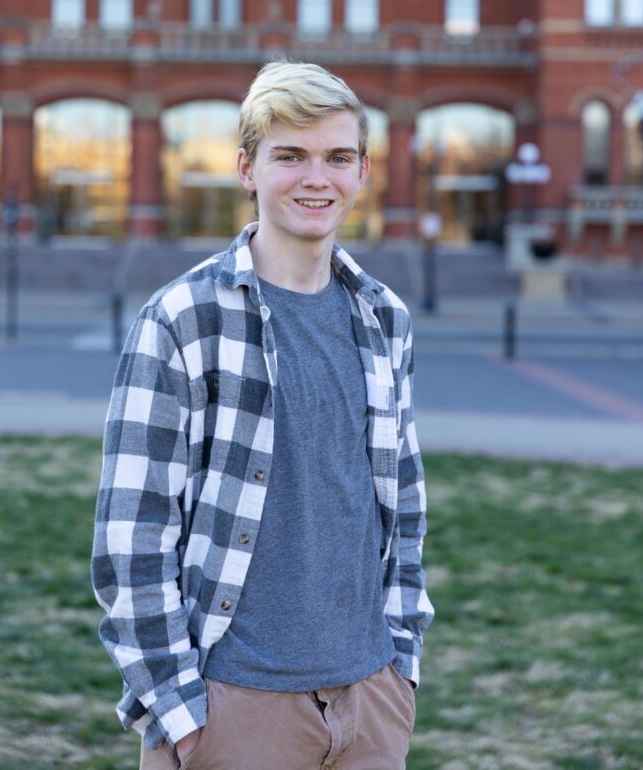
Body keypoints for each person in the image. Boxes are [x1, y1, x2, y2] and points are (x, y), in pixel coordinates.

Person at [91, 61, 433, 770]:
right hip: (233, 708)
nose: (317, 178)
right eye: (291, 157)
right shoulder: (184, 319)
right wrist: (185, 720)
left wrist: (400, 666)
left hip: (368, 701)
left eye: (338, 157)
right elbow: (132, 536)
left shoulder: (384, 319)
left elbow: (401, 508)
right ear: (246, 168)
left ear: (363, 171)